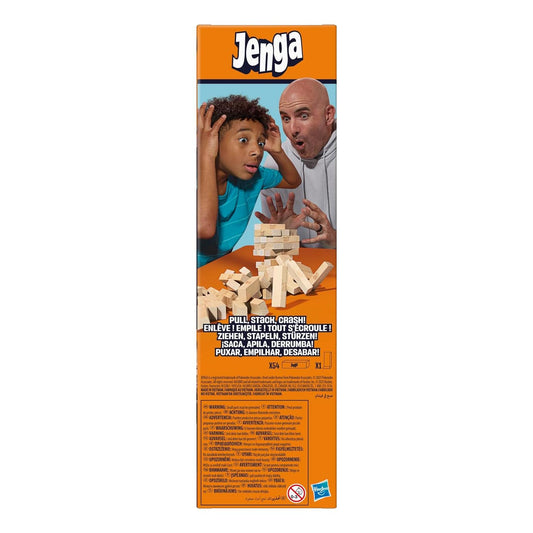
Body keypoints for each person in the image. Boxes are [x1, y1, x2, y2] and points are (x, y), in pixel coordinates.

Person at [197, 95, 301, 267]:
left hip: (219, 269)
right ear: (213, 141)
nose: (257, 151)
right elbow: (204, 229)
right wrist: (206, 155)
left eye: (260, 143)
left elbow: (293, 181)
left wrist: (277, 151)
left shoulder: (253, 177)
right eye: (243, 140)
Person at [257, 78, 336, 248]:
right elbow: (274, 256)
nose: (293, 129)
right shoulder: (274, 165)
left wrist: (336, 241)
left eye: (303, 116)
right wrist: (278, 238)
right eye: (286, 118)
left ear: (328, 115)